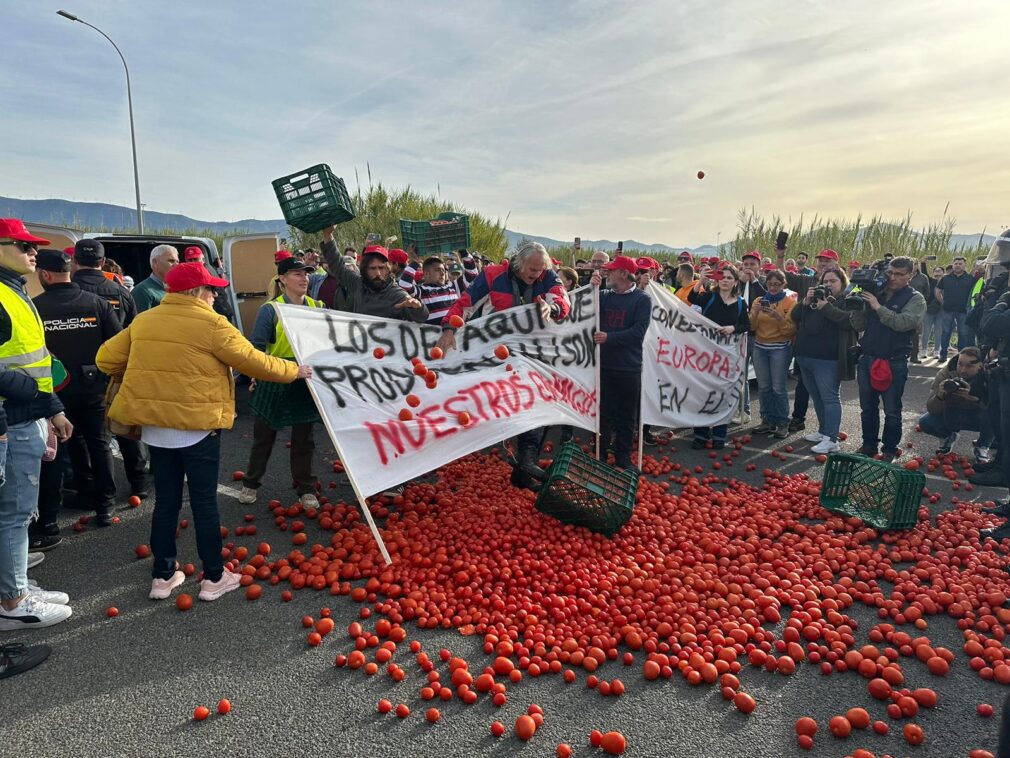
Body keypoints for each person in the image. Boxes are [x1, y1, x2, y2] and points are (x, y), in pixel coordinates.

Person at [96, 263, 312, 601]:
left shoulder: (144, 320)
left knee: (165, 502)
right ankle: (213, 577)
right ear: (196, 292)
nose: (215, 295)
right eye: (211, 289)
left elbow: (105, 359)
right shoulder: (213, 324)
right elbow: (252, 361)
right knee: (203, 502)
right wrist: (293, 370)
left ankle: (163, 576)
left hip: (155, 430)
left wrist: (150, 367)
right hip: (197, 428)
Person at [435, 241, 571, 490]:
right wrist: (448, 328)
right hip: (499, 353)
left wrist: (552, 307)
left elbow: (563, 302)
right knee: (524, 400)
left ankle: (524, 465)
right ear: (518, 264)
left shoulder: (548, 276)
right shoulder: (492, 276)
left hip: (533, 352)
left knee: (542, 403)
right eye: (531, 269)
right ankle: (525, 460)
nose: (536, 274)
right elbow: (465, 304)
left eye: (540, 270)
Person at [0, 220, 74, 631]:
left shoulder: (15, 291)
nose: (33, 252)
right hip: (13, 417)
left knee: (16, 512)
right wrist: (27, 391)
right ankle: (14, 602)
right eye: (23, 245)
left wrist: (54, 407)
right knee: (14, 513)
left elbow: (38, 358)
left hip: (27, 413)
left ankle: (18, 585)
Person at [32, 249, 121, 544]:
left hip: (54, 393)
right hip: (94, 386)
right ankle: (105, 507)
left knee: (54, 451)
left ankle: (49, 521)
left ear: (45, 275)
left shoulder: (36, 308)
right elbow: (118, 342)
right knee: (99, 443)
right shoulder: (95, 302)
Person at [238, 258, 323, 507]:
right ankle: (251, 483)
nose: (304, 278)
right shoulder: (270, 310)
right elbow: (256, 348)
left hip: (304, 379)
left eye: (306, 274)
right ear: (282, 279)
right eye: (297, 274)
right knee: (264, 437)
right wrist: (255, 376)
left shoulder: (317, 306)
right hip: (275, 378)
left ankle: (306, 488)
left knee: (304, 439)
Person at [71, 238, 149, 499]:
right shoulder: (121, 292)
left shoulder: (69, 291)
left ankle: (90, 487)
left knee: (85, 436)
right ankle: (139, 482)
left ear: (74, 261)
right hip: (118, 372)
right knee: (126, 426)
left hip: (77, 376)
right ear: (102, 262)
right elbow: (136, 332)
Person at [849, 256, 926, 461]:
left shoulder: (915, 298)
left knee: (892, 410)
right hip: (868, 357)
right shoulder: (877, 292)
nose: (892, 277)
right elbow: (859, 326)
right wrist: (857, 306)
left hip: (894, 361)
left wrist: (877, 306)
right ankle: (868, 444)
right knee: (867, 407)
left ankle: (890, 449)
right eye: (890, 272)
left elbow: (904, 323)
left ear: (911, 275)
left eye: (899, 274)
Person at [587, 256, 651, 469]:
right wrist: (591, 288)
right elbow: (585, 312)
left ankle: (623, 457)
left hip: (628, 367)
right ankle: (601, 454)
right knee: (603, 414)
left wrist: (609, 338)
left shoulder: (642, 300)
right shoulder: (603, 296)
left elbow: (638, 332)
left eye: (611, 270)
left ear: (624, 273)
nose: (607, 273)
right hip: (603, 365)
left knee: (626, 417)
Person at [790, 268, 857, 454]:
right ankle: (823, 431)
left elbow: (848, 321)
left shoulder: (848, 300)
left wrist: (826, 307)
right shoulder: (814, 299)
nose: (828, 285)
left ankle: (831, 439)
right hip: (805, 355)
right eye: (825, 281)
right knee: (816, 396)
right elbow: (794, 316)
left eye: (833, 281)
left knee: (830, 397)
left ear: (842, 283)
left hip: (828, 358)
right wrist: (805, 301)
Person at [687, 265, 750, 448]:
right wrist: (701, 281)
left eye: (730, 277)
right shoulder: (709, 297)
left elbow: (746, 325)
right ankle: (701, 433)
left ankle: (719, 433)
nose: (725, 280)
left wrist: (733, 328)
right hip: (705, 354)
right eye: (722, 276)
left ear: (735, 282)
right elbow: (692, 298)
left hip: (726, 356)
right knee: (704, 392)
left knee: (723, 393)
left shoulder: (740, 303)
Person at [318, 229, 429, 322]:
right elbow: (338, 266)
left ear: (388, 269)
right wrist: (328, 235)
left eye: (381, 268)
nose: (378, 273)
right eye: (372, 268)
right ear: (364, 270)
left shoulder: (395, 293)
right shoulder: (358, 284)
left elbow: (422, 316)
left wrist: (417, 307)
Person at [918, 347, 993, 459]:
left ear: (980, 366)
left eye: (969, 366)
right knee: (926, 422)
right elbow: (931, 408)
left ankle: (983, 445)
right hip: (952, 414)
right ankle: (948, 436)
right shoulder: (946, 373)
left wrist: (975, 399)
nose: (963, 370)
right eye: (960, 364)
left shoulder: (989, 375)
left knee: (999, 418)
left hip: (979, 416)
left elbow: (998, 408)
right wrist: (940, 395)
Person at [750, 269, 797, 438]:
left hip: (780, 347)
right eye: (770, 284)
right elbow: (751, 327)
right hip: (760, 347)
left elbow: (790, 331)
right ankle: (767, 420)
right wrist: (755, 312)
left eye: (777, 284)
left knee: (778, 387)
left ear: (784, 285)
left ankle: (783, 422)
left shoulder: (790, 303)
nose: (773, 287)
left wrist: (778, 317)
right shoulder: (759, 300)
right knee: (764, 386)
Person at [398, 252, 478, 326]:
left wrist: (464, 253)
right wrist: (415, 262)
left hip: (457, 335)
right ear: (426, 274)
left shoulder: (453, 286)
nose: (442, 273)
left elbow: (472, 274)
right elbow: (404, 284)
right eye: (437, 270)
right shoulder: (421, 291)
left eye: (443, 270)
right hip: (434, 338)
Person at [935, 256, 974, 360]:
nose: (957, 265)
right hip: (947, 310)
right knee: (946, 333)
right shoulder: (946, 278)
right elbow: (938, 291)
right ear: (953, 265)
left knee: (963, 334)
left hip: (963, 311)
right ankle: (943, 355)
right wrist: (942, 302)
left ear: (965, 265)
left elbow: (975, 293)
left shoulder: (970, 278)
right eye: (956, 263)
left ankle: (961, 357)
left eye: (960, 263)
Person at [132, 245, 180, 312]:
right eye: (171, 261)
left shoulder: (180, 289)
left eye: (177, 261)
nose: (176, 265)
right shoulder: (142, 291)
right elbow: (140, 321)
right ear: (155, 262)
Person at [920, 264, 944, 360]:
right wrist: (923, 263)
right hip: (929, 308)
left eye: (940, 270)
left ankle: (937, 351)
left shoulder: (946, 281)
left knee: (938, 331)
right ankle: (924, 350)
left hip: (941, 309)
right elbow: (924, 272)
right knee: (926, 330)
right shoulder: (930, 281)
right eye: (936, 271)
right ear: (933, 273)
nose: (938, 272)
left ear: (943, 272)